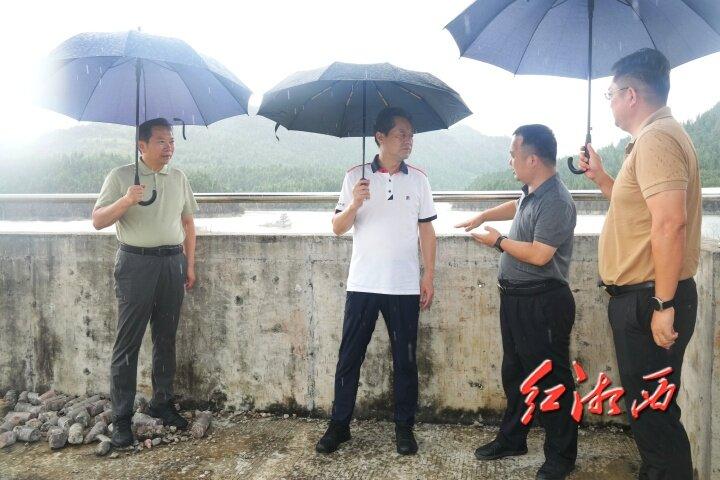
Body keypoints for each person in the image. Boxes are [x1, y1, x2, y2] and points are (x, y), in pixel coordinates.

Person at [578, 48, 701, 480]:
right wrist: (602, 178)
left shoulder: (656, 140)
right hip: (647, 297)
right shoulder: (653, 139)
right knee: (650, 411)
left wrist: (663, 305)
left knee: (654, 416)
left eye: (611, 93)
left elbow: (670, 223)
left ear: (631, 95)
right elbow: (641, 208)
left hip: (651, 298)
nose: (610, 101)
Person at [456, 124, 577, 480]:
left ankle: (561, 457)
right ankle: (513, 439)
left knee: (551, 380)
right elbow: (517, 206)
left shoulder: (556, 200)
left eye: (513, 155)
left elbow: (540, 255)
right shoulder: (533, 192)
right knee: (517, 375)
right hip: (516, 300)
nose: (510, 161)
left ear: (533, 159)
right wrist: (483, 216)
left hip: (543, 302)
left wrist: (499, 241)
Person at [315, 107, 437, 456]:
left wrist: (429, 274)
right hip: (363, 284)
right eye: (401, 134)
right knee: (349, 357)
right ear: (380, 138)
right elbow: (337, 228)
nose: (408, 140)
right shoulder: (355, 176)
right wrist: (354, 203)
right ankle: (339, 425)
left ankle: (404, 428)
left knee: (406, 360)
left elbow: (427, 229)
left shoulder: (419, 179)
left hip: (404, 286)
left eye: (411, 134)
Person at [92, 117, 199, 447]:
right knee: (128, 342)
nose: (169, 147)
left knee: (166, 338)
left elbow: (188, 223)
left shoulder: (178, 177)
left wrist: (189, 264)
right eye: (161, 141)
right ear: (142, 145)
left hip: (172, 263)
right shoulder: (121, 176)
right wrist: (126, 200)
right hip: (135, 264)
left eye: (172, 141)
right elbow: (98, 220)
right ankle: (122, 419)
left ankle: (162, 403)